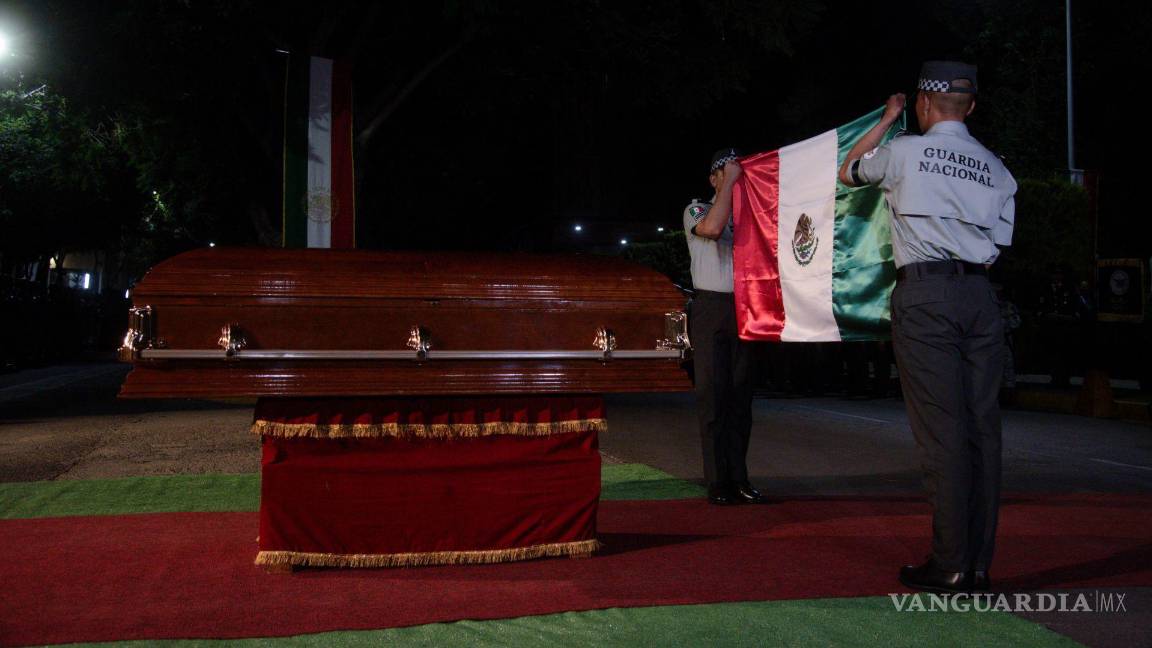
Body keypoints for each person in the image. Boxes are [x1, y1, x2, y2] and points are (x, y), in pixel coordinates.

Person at [838, 61, 1017, 593]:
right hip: (980, 299)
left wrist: (888, 118)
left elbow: (849, 170)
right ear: (972, 106)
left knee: (942, 433)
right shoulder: (997, 168)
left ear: (922, 103)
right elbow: (997, 250)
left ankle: (950, 563)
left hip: (926, 295)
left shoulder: (904, 151)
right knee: (982, 431)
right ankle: (978, 564)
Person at [683, 148, 766, 506]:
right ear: (713, 177)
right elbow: (713, 229)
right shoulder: (696, 209)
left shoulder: (748, 216)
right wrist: (730, 183)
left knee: (740, 399)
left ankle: (739, 477)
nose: (732, 175)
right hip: (711, 307)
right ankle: (717, 481)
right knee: (713, 397)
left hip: (744, 308)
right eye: (724, 171)